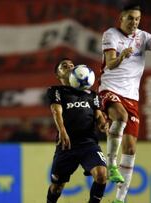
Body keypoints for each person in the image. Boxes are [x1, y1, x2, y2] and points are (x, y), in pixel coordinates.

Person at [98, 3, 151, 203]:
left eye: (137, 19)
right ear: (121, 19)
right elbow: (111, 63)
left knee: (131, 149)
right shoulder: (111, 34)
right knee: (120, 116)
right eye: (130, 18)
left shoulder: (144, 37)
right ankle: (111, 163)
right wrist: (122, 56)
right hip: (110, 89)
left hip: (132, 97)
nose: (134, 22)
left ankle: (120, 199)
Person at [46, 59, 108, 203]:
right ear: (57, 75)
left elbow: (99, 116)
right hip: (66, 145)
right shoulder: (56, 91)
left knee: (101, 174)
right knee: (56, 187)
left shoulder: (92, 94)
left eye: (72, 66)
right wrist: (62, 131)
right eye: (64, 67)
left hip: (88, 144)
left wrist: (103, 124)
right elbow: (56, 111)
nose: (69, 67)